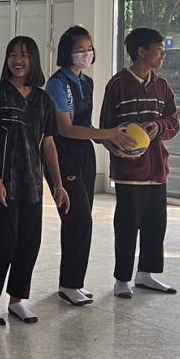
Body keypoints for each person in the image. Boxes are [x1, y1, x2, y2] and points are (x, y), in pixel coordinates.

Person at [0, 36, 71, 326]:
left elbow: (48, 143)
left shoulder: (42, 99)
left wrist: (58, 184)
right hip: (4, 183)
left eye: (25, 55)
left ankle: (17, 299)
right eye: (13, 55)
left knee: (28, 242)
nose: (18, 60)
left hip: (32, 184)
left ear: (34, 60)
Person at [44, 26, 133, 307]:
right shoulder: (58, 84)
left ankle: (74, 282)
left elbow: (86, 126)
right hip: (62, 154)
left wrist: (110, 141)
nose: (87, 54)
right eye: (80, 50)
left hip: (84, 153)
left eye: (89, 49)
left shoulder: (88, 82)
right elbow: (66, 128)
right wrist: (108, 133)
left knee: (83, 219)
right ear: (67, 53)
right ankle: (68, 284)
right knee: (78, 219)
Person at [101, 28, 180, 299]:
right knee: (127, 225)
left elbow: (173, 121)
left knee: (156, 223)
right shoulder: (117, 84)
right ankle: (122, 279)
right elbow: (105, 128)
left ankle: (146, 274)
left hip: (157, 168)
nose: (163, 55)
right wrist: (119, 148)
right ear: (142, 51)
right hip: (129, 171)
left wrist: (159, 126)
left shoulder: (162, 86)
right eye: (159, 50)